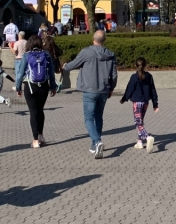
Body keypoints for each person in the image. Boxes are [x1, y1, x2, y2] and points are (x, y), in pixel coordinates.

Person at [62, 29, 118, 158]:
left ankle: (97, 141)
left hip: (89, 90)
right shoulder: (111, 54)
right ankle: (94, 145)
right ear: (104, 40)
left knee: (88, 118)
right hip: (103, 90)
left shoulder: (86, 52)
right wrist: (111, 88)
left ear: (93, 39)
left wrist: (65, 66)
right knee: (98, 117)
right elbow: (114, 74)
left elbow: (72, 64)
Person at [15, 35, 57, 148]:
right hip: (43, 86)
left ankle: (35, 140)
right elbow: (51, 72)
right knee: (40, 110)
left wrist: (18, 87)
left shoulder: (27, 55)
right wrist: (53, 87)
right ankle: (41, 136)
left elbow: (20, 73)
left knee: (33, 112)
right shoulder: (46, 54)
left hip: (30, 86)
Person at [120, 57, 159, 154]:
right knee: (140, 121)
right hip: (145, 102)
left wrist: (124, 99)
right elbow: (153, 90)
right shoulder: (149, 76)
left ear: (135, 65)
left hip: (137, 102)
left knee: (138, 122)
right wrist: (155, 104)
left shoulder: (134, 77)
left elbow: (129, 89)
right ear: (145, 65)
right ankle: (139, 142)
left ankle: (147, 137)